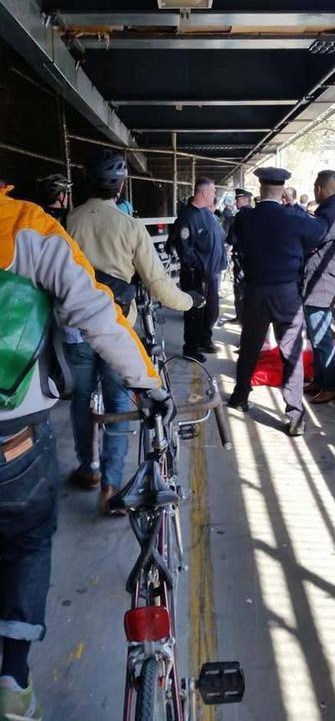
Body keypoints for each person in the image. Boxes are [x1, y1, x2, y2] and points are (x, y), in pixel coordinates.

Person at [0, 181, 170, 720]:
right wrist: (148, 383)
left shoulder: (61, 220)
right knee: (28, 540)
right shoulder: (24, 226)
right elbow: (97, 313)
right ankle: (14, 680)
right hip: (14, 439)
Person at [65, 149, 202, 511]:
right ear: (121, 186)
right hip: (116, 329)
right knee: (119, 402)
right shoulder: (129, 227)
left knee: (81, 399)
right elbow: (159, 286)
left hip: (75, 327)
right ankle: (110, 485)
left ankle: (88, 467)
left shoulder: (70, 221)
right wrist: (191, 301)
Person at [227, 167, 335, 436]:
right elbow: (321, 232)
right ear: (282, 190)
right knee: (291, 353)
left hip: (255, 292)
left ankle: (240, 396)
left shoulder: (246, 218)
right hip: (288, 294)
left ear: (261, 188)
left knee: (250, 345)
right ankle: (295, 415)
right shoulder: (293, 218)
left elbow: (232, 241)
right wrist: (298, 210)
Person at [303, 170, 335, 404]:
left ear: (320, 188)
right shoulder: (332, 211)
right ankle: (321, 380)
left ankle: (330, 385)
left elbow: (312, 239)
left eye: (315, 187)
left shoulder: (329, 214)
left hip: (319, 285)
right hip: (318, 283)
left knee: (322, 339)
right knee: (316, 336)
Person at [173, 178, 226, 363]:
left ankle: (204, 339)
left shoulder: (207, 213)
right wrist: (199, 268)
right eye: (212, 192)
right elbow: (184, 248)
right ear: (203, 193)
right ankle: (191, 348)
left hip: (211, 273)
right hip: (197, 274)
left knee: (210, 310)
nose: (214, 196)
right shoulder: (188, 216)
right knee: (195, 312)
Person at [226, 187, 252, 324]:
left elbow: (231, 239)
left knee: (240, 288)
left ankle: (240, 318)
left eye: (237, 199)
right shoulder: (255, 214)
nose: (236, 202)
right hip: (251, 260)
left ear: (243, 200)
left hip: (240, 259)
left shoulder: (240, 216)